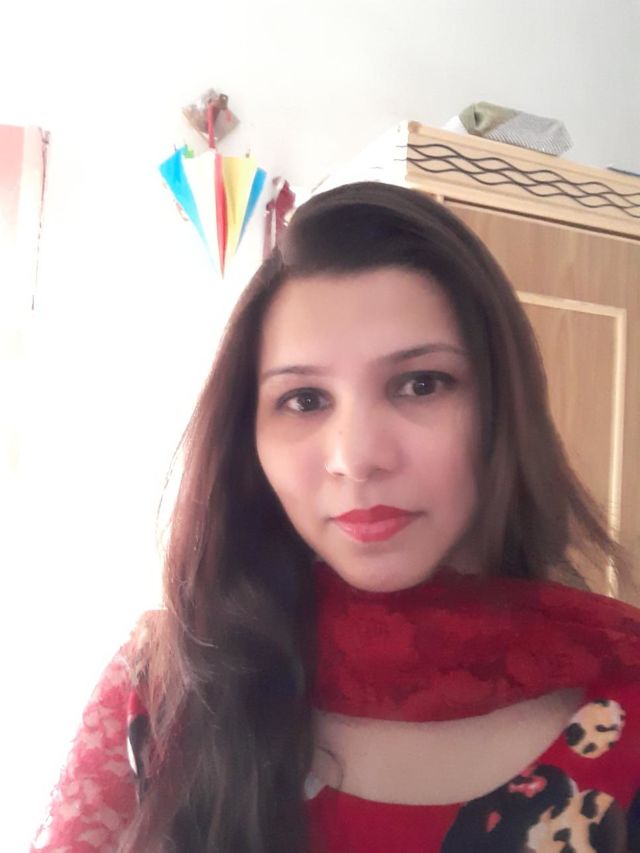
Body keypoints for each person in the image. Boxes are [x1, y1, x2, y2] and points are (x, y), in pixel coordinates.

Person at [31, 181, 640, 853]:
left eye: (421, 384)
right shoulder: (162, 686)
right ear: (247, 437)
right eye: (304, 399)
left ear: (504, 407)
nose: (356, 458)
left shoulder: (626, 692)